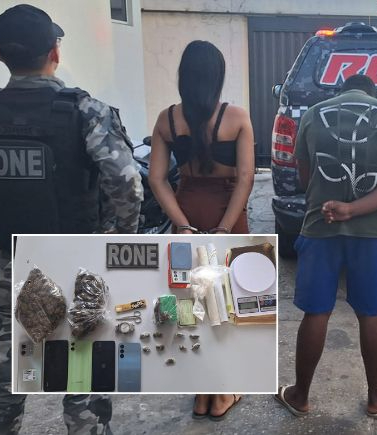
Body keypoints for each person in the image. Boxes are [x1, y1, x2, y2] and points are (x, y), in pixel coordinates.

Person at [0, 4, 143, 435]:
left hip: (8, 263)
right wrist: (117, 241)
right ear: (55, 52)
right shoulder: (85, 112)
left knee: (5, 373)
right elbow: (126, 185)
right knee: (84, 372)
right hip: (78, 262)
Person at [273, 74, 377, 418]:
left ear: (342, 92)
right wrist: (357, 208)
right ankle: (375, 398)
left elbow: (304, 176)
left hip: (320, 227)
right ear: (372, 93)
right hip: (373, 233)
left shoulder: (313, 115)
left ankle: (300, 396)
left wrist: (336, 201)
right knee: (371, 314)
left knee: (316, 312)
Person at [149, 40, 253, 420]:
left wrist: (181, 223)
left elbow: (157, 178)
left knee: (188, 304)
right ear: (217, 77)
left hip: (187, 207)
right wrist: (225, 227)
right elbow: (246, 177)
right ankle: (221, 394)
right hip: (228, 211)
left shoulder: (167, 120)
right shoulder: (236, 117)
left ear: (184, 76)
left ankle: (200, 394)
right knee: (226, 303)